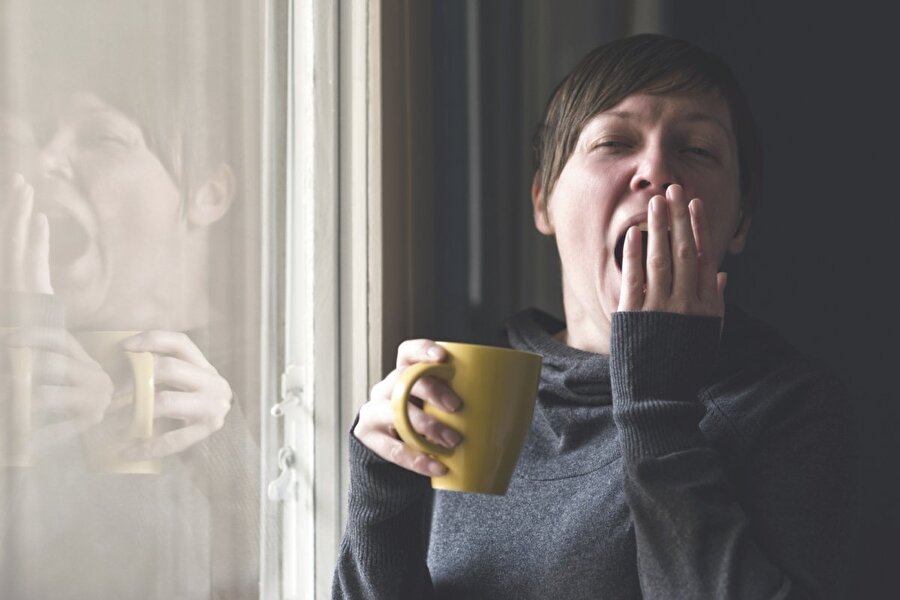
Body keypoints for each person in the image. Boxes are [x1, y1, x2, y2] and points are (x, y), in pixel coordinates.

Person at [333, 33, 854, 599]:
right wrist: (381, 499)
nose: (655, 169)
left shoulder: (783, 406)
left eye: (699, 149)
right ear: (542, 201)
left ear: (741, 222)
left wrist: (657, 405)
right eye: (613, 141)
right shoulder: (467, 400)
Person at [0, 87, 259, 599]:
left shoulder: (299, 368)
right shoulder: (19, 365)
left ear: (208, 192)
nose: (44, 159)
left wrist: (228, 458)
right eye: (30, 140)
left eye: (102, 136)